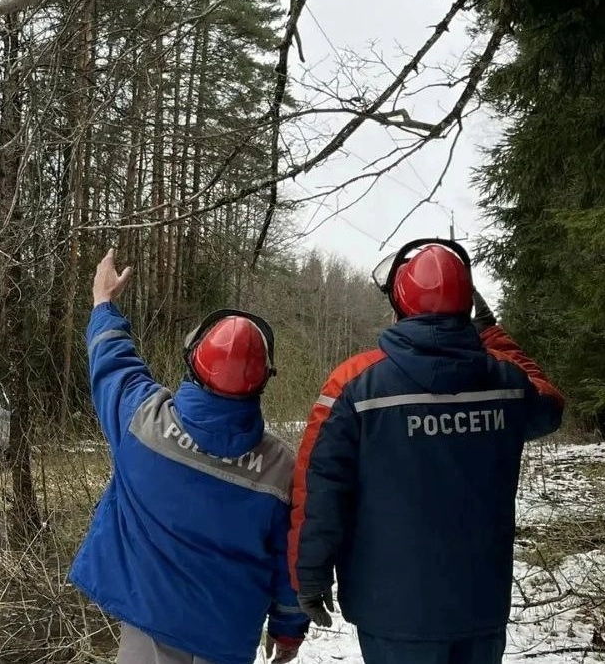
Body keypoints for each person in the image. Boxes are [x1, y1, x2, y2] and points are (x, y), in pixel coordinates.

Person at [288, 238, 565, 664]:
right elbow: (550, 402)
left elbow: (320, 486)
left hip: (391, 611)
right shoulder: (506, 382)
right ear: (467, 308)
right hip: (480, 606)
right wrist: (493, 334)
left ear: (399, 303)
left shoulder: (355, 385)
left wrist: (310, 572)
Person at [70, 249, 310, 664]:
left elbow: (112, 363)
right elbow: (290, 563)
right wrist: (288, 630)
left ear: (192, 361)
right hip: (227, 639)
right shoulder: (281, 470)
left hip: (146, 627)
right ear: (262, 382)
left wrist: (103, 303)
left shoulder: (143, 421)